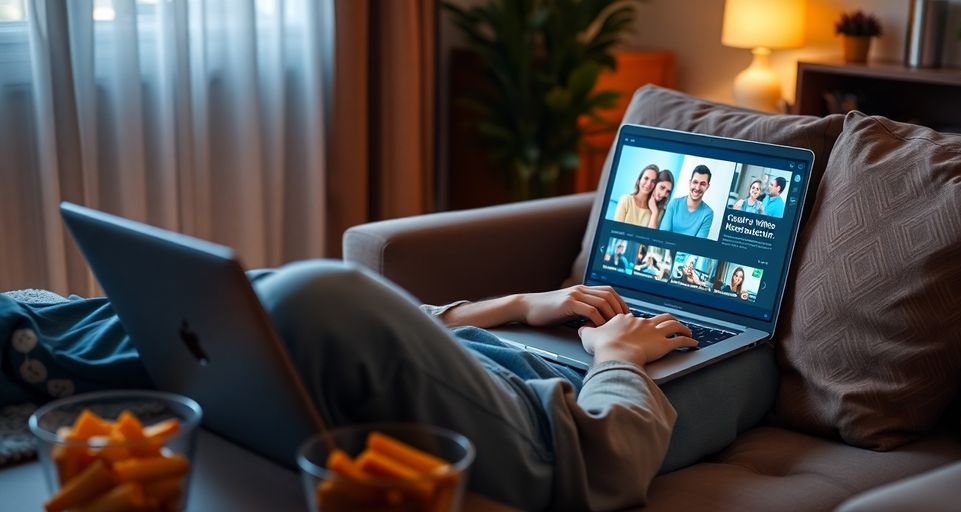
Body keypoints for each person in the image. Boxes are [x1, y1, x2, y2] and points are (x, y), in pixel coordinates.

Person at [0, 261, 778, 510]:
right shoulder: (324, 315)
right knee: (294, 301)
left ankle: (40, 340)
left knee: (305, 301)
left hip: (519, 380)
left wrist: (587, 341)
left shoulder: (298, 314)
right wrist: (588, 343)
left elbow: (612, 456)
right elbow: (602, 460)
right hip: (543, 392)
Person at [660, 165, 714, 238]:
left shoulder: (708, 213)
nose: (697, 188)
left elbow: (698, 244)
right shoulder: (674, 204)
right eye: (695, 182)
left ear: (707, 187)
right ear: (690, 183)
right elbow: (663, 236)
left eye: (703, 184)